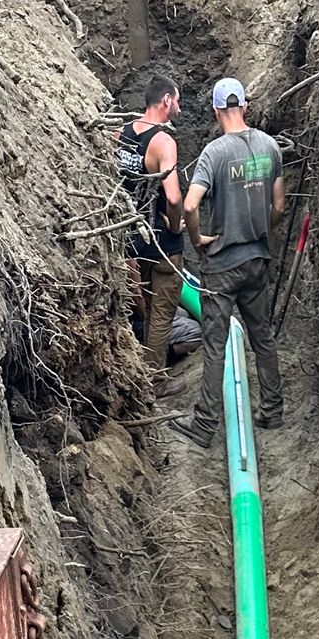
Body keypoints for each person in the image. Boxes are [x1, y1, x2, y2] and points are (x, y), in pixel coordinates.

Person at [173, 77, 285, 448]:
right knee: (262, 336)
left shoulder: (214, 153)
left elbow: (190, 204)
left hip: (222, 265)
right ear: (245, 106)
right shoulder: (270, 146)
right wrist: (260, 228)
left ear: (216, 110)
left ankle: (204, 425)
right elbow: (279, 207)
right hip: (257, 258)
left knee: (215, 344)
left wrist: (196, 239)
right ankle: (272, 411)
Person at [118, 70, 186, 379]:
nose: (179, 109)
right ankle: (155, 379)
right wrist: (175, 226)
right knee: (162, 312)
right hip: (160, 239)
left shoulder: (123, 133)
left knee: (145, 304)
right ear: (166, 100)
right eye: (178, 102)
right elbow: (173, 196)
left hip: (132, 236)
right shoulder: (163, 141)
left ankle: (142, 371)